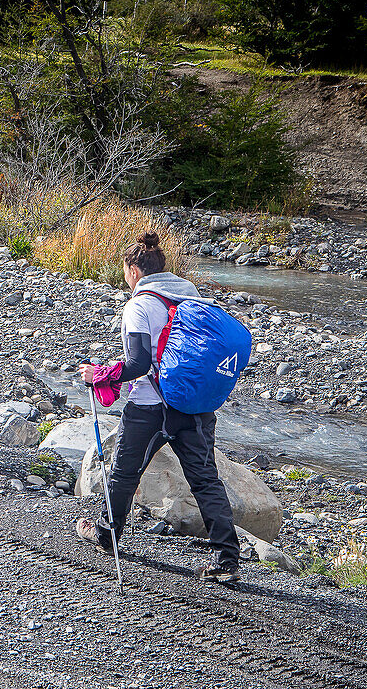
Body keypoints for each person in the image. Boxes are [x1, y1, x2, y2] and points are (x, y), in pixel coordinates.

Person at [75, 231, 242, 582]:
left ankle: (108, 534)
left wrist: (98, 375)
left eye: (125, 269)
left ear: (134, 270)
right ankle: (226, 560)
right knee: (205, 479)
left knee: (124, 471)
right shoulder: (191, 296)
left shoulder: (139, 305)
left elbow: (137, 364)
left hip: (151, 404)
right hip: (195, 405)